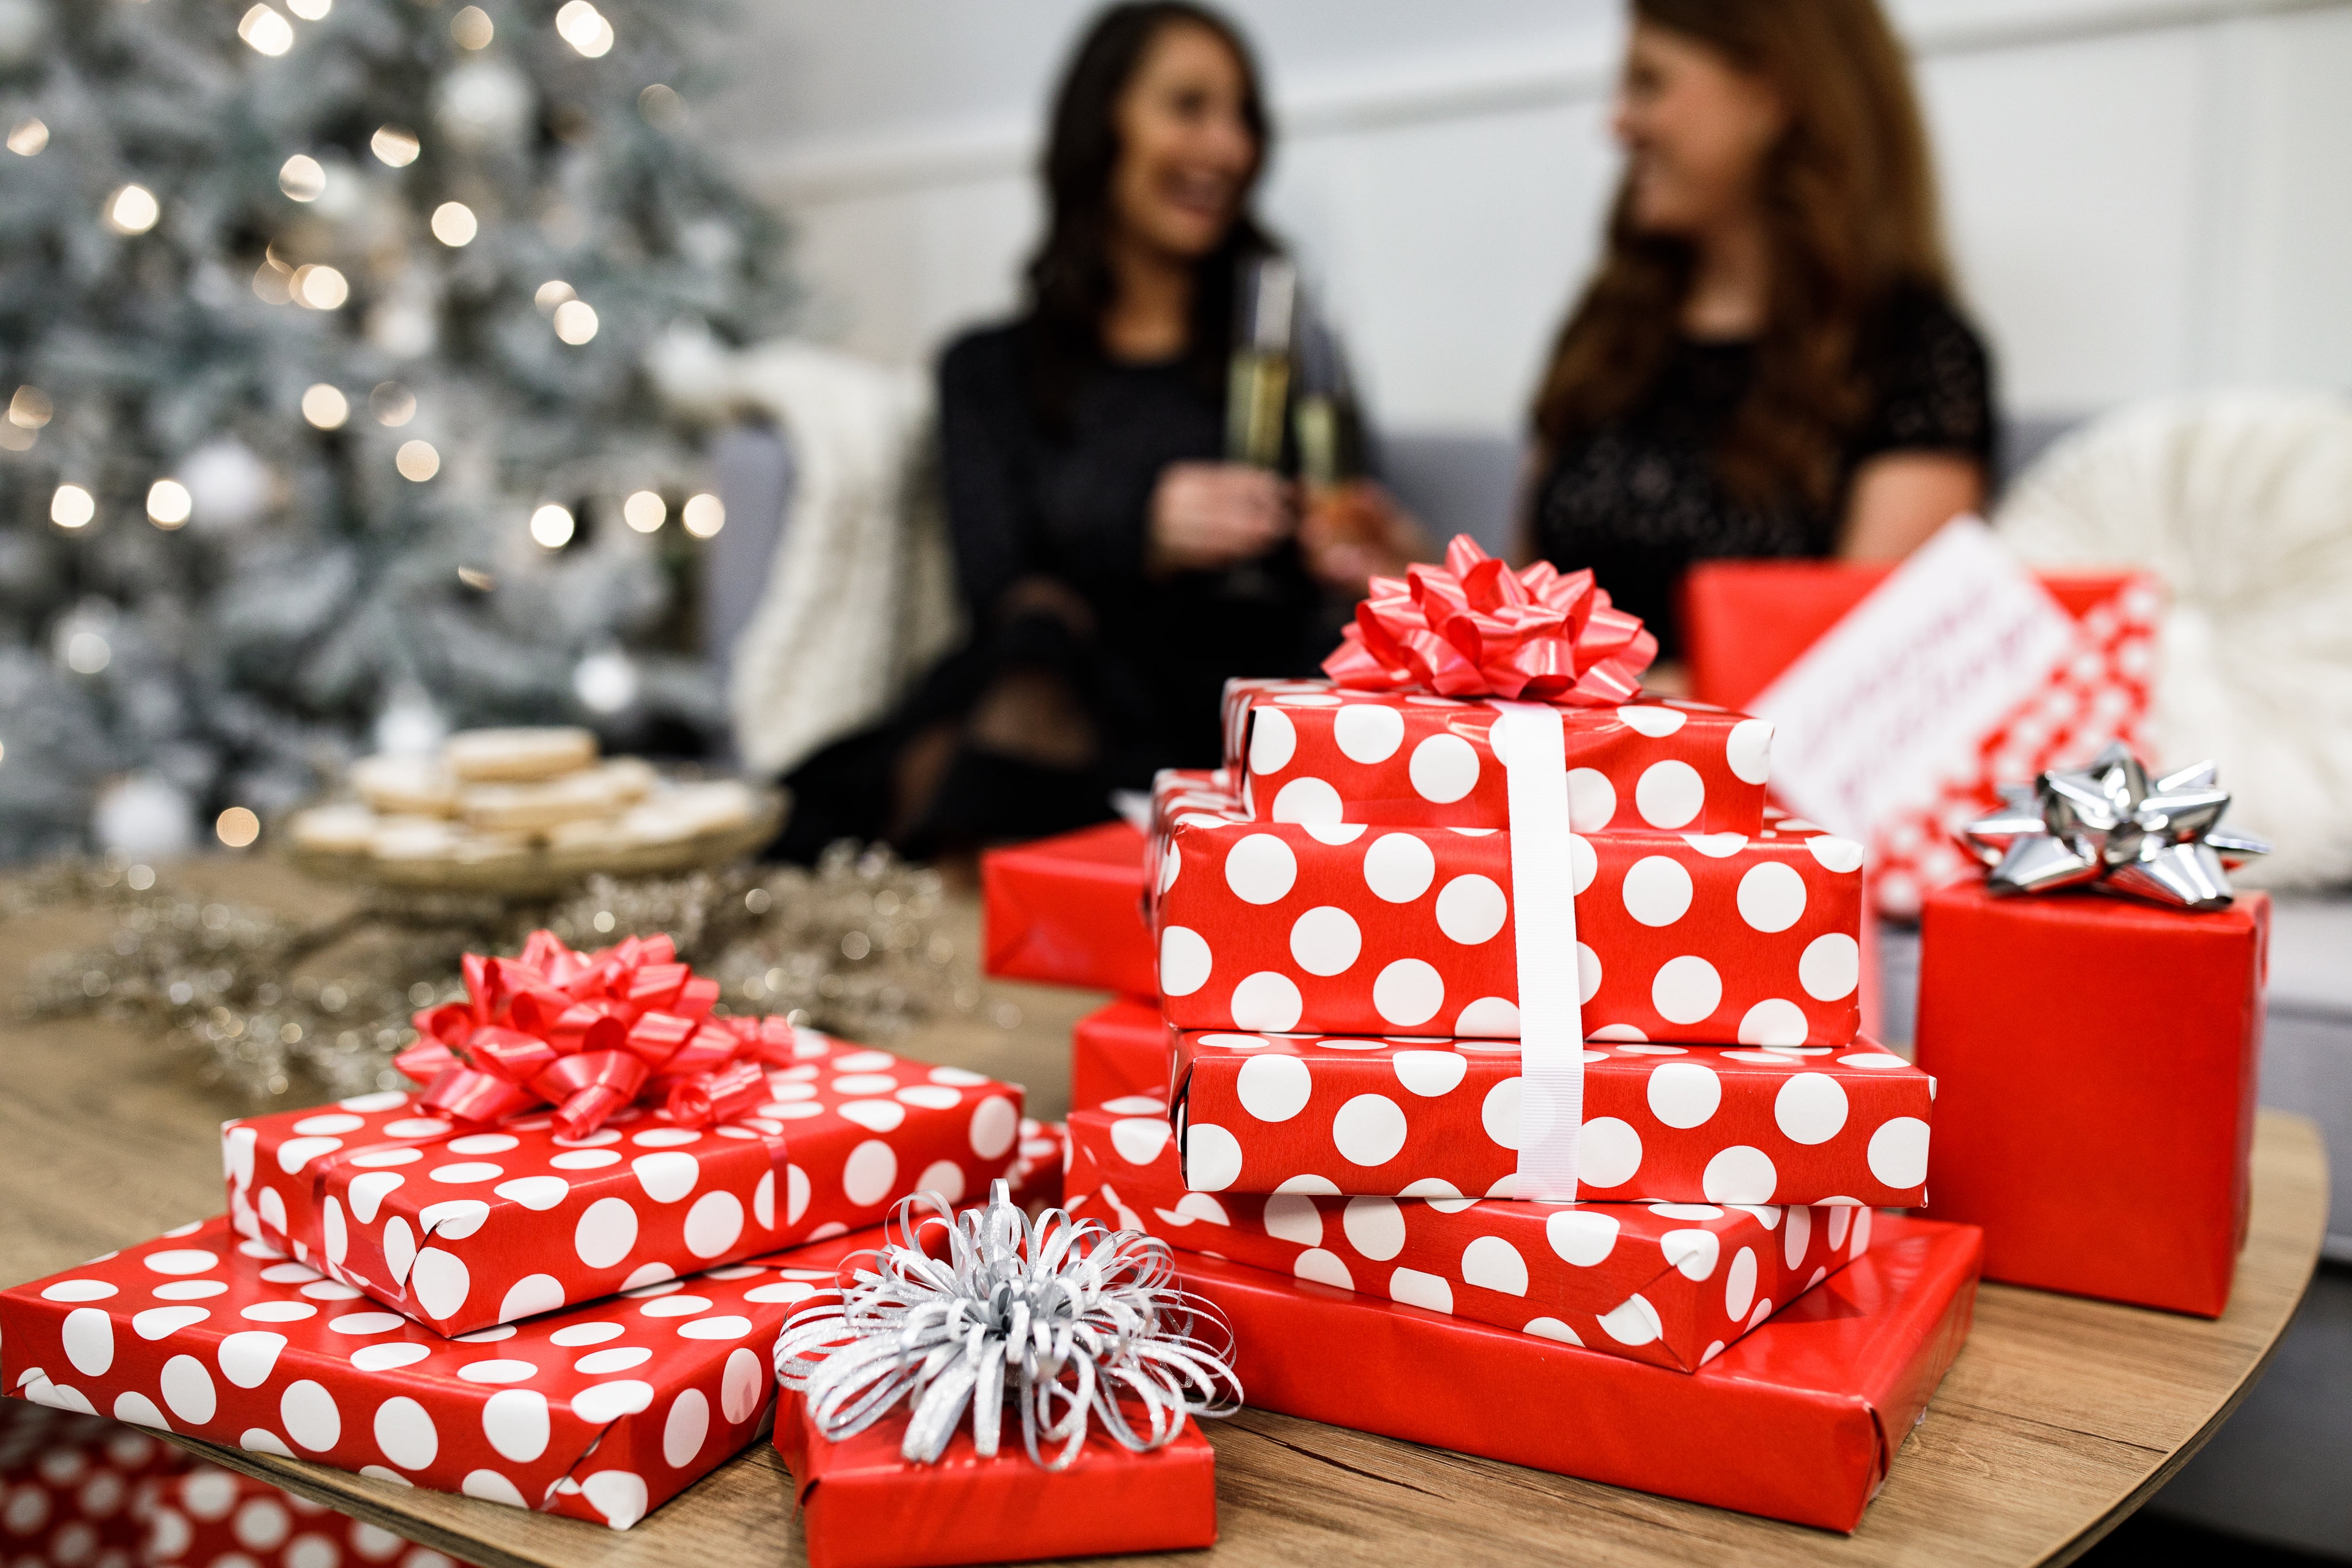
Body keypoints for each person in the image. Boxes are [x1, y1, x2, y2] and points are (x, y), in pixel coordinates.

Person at [778, 1, 1418, 864]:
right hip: (1054, 688)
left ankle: (995, 890)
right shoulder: (988, 369)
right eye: (1189, 107)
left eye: (1243, 119)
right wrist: (1138, 532)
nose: (1228, 148)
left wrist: (1376, 551)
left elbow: (1330, 562)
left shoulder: (1289, 355)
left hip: (1226, 703)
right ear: (1102, 124)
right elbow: (996, 585)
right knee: (1030, 646)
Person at [1522, 0, 1994, 673]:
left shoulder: (1914, 356)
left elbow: (1859, 677)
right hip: (1557, 761)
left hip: (1739, 771)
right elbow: (1531, 598)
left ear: (1772, 96)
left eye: (1649, 82)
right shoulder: (1609, 330)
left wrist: (1600, 707)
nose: (1619, 122)